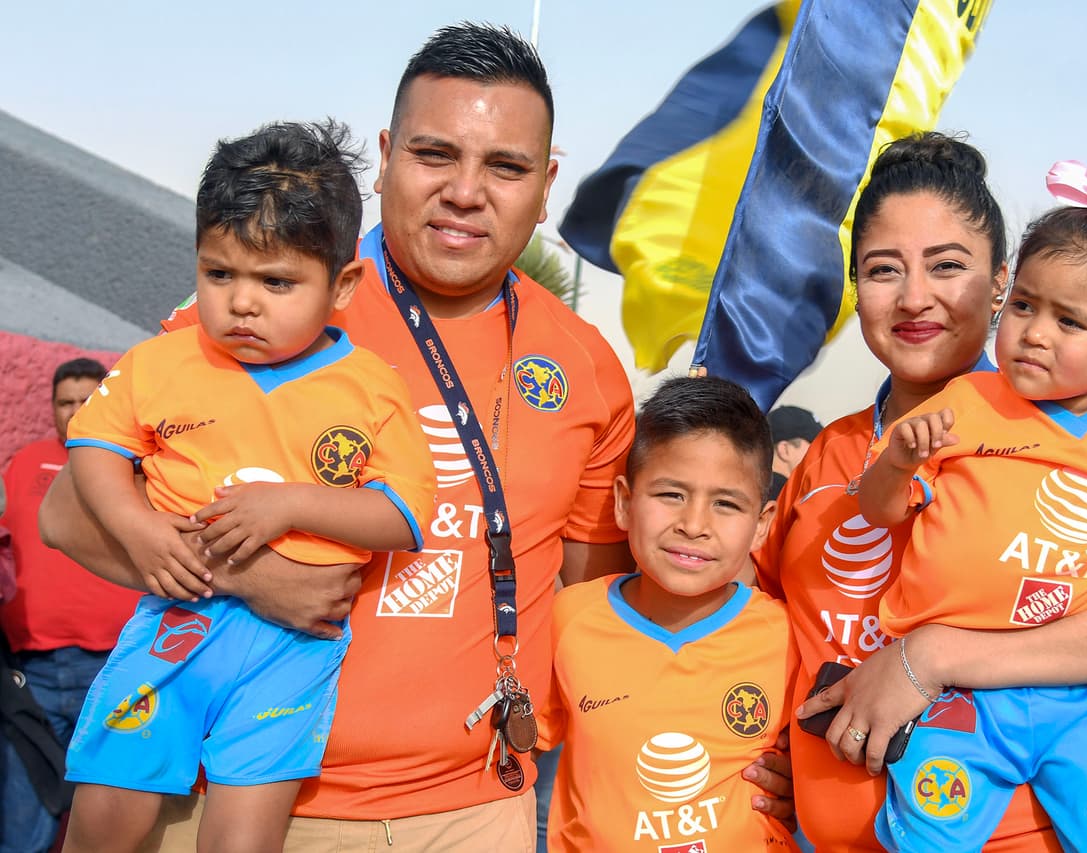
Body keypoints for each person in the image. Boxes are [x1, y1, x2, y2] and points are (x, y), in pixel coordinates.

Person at [40, 24, 796, 849]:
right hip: (237, 804)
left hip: (472, 815)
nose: (466, 191)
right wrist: (250, 580)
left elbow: (604, 609)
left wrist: (762, 745)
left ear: (544, 188)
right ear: (387, 156)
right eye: (436, 154)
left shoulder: (588, 368)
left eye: (504, 167)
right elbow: (70, 517)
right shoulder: (275, 305)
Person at [752, 132, 1087, 852]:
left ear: (1001, 281)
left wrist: (926, 656)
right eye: (881, 269)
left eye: (947, 266)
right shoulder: (827, 456)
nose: (913, 297)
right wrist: (753, 749)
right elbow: (759, 624)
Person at [58, 120, 436, 853]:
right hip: (170, 628)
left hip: (290, 652)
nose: (243, 303)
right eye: (219, 274)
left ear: (343, 285)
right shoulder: (159, 361)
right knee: (105, 818)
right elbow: (96, 453)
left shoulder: (372, 389)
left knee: (241, 840)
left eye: (277, 281)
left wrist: (290, 503)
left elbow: (405, 511)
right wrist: (139, 530)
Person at [538, 376, 797, 852]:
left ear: (761, 525)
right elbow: (513, 754)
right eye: (671, 495)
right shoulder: (568, 619)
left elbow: (821, 775)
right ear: (623, 503)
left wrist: (802, 788)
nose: (693, 525)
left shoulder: (789, 638)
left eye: (725, 504)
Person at [0, 357, 141, 853]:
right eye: (65, 402)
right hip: (31, 673)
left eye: (87, 400)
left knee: (113, 819)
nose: (76, 410)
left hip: (112, 670)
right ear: (52, 408)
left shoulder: (132, 468)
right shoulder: (22, 463)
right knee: (22, 823)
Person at [766, 405, 822, 500]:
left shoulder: (751, 489)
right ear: (784, 450)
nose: (821, 452)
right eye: (814, 444)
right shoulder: (787, 499)